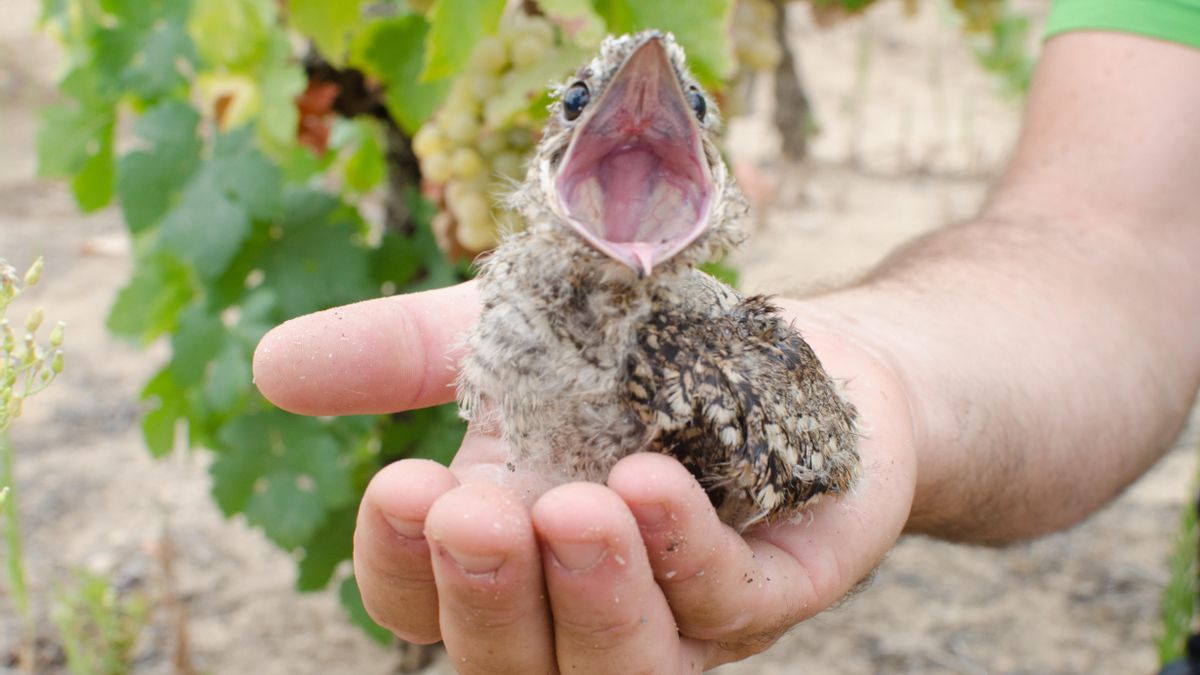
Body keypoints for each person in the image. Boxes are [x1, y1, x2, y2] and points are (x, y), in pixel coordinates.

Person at [252, 2, 1200, 671]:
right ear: (548, 161)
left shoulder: (686, 352)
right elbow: (1118, 243)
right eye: (579, 106)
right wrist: (898, 383)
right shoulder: (514, 314)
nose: (643, 98)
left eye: (694, 116)